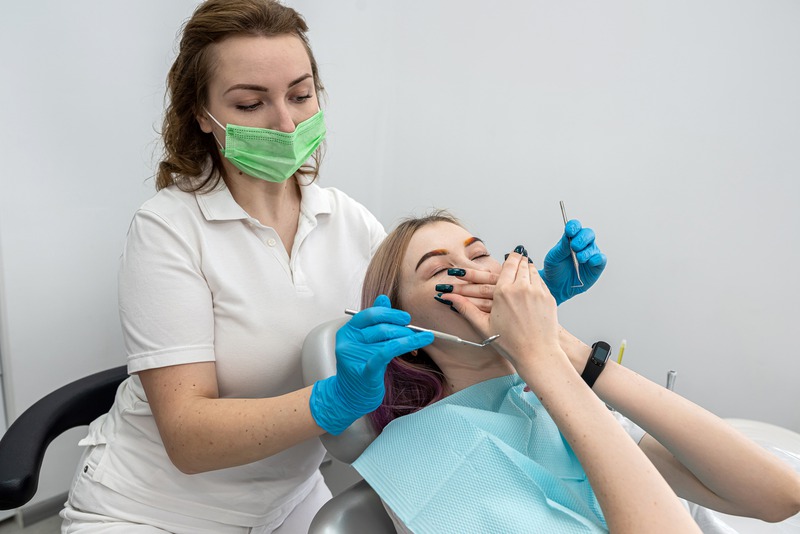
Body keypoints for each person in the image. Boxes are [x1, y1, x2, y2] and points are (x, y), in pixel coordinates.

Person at [60, 1, 607, 532]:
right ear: (202, 115)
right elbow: (186, 437)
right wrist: (334, 399)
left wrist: (534, 305)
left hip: (290, 502)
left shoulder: (348, 221)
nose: (284, 122)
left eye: (300, 95)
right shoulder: (168, 230)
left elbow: (427, 334)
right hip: (153, 510)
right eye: (251, 105)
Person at [351, 211, 800, 534]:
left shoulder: (540, 397)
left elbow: (780, 495)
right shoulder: (420, 459)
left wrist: (566, 349)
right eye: (441, 271)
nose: (474, 272)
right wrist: (540, 358)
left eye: (481, 254)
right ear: (405, 330)